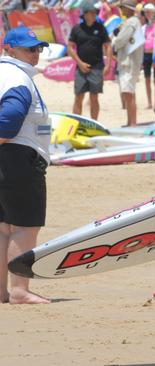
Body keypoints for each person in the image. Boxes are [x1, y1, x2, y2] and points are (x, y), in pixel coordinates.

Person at [0, 26, 51, 305]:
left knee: (3, 228)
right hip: (18, 158)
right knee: (23, 227)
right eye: (29, 48)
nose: (35, 54)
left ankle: (2, 292)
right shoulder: (16, 76)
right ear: (9, 50)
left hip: (9, 157)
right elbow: (9, 119)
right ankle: (19, 289)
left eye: (38, 48)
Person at [68, 0, 113, 121]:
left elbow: (108, 46)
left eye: (95, 12)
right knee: (78, 97)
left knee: (94, 97)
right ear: (85, 14)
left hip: (97, 67)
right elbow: (70, 47)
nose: (94, 14)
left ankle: (94, 123)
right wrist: (79, 63)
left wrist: (108, 65)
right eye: (92, 12)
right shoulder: (77, 28)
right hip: (80, 68)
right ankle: (75, 122)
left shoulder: (100, 27)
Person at [112, 0, 144, 126]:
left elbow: (119, 41)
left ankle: (132, 123)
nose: (121, 10)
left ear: (128, 8)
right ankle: (131, 121)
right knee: (129, 93)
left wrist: (114, 41)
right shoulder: (132, 22)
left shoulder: (131, 22)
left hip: (128, 63)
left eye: (122, 7)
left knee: (128, 94)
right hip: (129, 62)